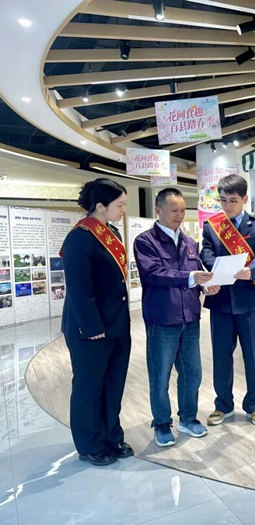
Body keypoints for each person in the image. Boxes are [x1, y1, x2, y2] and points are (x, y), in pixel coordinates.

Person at [134, 188, 220, 447]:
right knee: (160, 375)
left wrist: (206, 285)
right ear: (158, 210)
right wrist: (191, 278)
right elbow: (154, 274)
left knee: (192, 373)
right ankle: (162, 423)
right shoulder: (145, 241)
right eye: (174, 210)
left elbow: (196, 273)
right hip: (162, 319)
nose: (179, 215)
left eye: (183, 210)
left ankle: (188, 418)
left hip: (190, 318)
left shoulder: (189, 242)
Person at [60, 178, 132, 467]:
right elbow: (79, 290)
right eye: (120, 205)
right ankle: (90, 444)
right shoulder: (80, 238)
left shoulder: (111, 232)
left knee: (113, 385)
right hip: (90, 329)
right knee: (89, 388)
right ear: (100, 206)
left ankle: (111, 436)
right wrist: (91, 328)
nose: (123, 210)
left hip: (116, 324)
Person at [200, 174, 255, 426]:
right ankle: (223, 405)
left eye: (233, 201)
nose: (228, 205)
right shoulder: (212, 226)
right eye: (223, 200)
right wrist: (217, 267)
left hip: (249, 300)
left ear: (244, 199)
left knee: (253, 356)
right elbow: (205, 252)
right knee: (221, 356)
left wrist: (251, 270)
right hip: (221, 300)